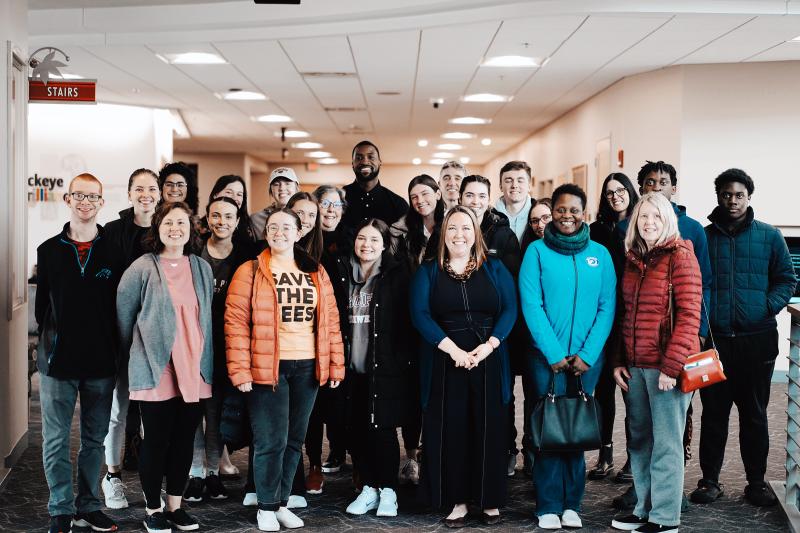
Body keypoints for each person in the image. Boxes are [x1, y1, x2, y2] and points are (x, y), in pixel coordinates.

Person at [225, 208, 345, 532]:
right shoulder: (249, 271)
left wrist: (334, 364)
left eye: (286, 227)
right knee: (270, 440)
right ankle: (265, 506)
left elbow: (330, 321)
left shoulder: (315, 271)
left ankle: (280, 502)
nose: (279, 232)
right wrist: (241, 371)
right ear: (266, 233)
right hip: (268, 367)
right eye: (273, 227)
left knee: (295, 440)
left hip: (307, 367)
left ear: (298, 232)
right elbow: (235, 323)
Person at [690, 169, 796, 507]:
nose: (732, 200)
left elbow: (786, 279)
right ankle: (709, 481)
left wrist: (765, 307)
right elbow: (694, 285)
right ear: (718, 195)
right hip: (715, 343)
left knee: (755, 414)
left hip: (757, 340)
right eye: (726, 194)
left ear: (749, 197)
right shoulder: (703, 238)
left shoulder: (769, 236)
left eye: (739, 195)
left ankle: (756, 482)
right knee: (714, 414)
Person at [410, 205, 517, 527]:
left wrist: (490, 345)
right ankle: (457, 500)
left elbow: (510, 309)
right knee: (452, 431)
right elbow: (420, 315)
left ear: (476, 234)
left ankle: (489, 500)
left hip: (489, 356)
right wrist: (453, 350)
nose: (459, 234)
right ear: (443, 234)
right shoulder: (428, 270)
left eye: (466, 228)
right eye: (453, 228)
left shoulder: (495, 267)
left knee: (489, 430)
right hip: (445, 359)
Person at [613, 160, 712, 508]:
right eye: (643, 217)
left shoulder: (681, 256)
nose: (649, 223)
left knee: (667, 444)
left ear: (668, 219)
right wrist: (619, 361)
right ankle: (643, 507)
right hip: (637, 367)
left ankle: (666, 516)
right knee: (640, 441)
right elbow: (627, 315)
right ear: (634, 222)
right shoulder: (634, 259)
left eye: (657, 217)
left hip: (666, 370)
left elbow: (689, 317)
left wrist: (672, 368)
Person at [519, 183, 616, 530]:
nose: (567, 216)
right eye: (560, 209)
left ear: (584, 212)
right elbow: (532, 305)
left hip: (588, 360)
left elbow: (607, 308)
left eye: (574, 210)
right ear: (551, 211)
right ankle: (547, 504)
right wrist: (555, 353)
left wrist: (587, 355)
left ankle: (572, 503)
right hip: (545, 358)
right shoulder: (536, 253)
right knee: (548, 430)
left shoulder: (601, 255)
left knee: (576, 430)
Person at [116, 201, 214, 533]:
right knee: (156, 440)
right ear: (158, 227)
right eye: (169, 223)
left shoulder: (201, 267)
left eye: (181, 223)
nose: (175, 229)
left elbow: (206, 318)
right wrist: (139, 352)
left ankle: (175, 506)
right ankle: (153, 508)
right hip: (155, 366)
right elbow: (123, 317)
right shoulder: (143, 267)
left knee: (185, 439)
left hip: (194, 366)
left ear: (191, 229)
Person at [36, 173, 123, 533]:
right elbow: (43, 311)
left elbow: (121, 307)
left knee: (93, 439)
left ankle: (87, 505)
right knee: (56, 439)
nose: (85, 202)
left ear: (102, 202)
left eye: (93, 197)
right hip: (57, 362)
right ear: (67, 200)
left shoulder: (115, 251)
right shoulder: (48, 250)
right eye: (78, 196)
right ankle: (60, 508)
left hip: (102, 362)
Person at [184, 196, 256, 504]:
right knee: (192, 411)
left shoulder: (247, 256)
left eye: (228, 216)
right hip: (194, 340)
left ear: (237, 221)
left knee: (214, 412)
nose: (222, 221)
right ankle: (195, 473)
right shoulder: (192, 253)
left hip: (227, 342)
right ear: (206, 219)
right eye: (216, 215)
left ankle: (212, 472)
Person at [341, 219, 413, 517]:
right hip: (351, 368)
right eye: (361, 238)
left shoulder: (397, 274)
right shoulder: (344, 272)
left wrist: (399, 362)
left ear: (384, 244)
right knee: (357, 430)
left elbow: (407, 324)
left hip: (384, 367)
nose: (366, 245)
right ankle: (369, 487)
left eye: (373, 239)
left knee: (381, 429)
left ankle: (389, 491)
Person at [101, 168, 161, 511]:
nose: (146, 194)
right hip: (122, 335)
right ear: (129, 194)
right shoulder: (112, 232)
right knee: (118, 410)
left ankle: (159, 480)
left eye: (151, 188)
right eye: (139, 189)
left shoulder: (168, 228)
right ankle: (112, 476)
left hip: (157, 337)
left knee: (157, 412)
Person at [459, 174, 521, 476]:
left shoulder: (503, 234)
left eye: (481, 196)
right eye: (469, 195)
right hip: (455, 329)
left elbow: (509, 288)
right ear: (460, 198)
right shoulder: (450, 229)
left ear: (489, 198)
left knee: (500, 396)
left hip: (493, 331)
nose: (475, 202)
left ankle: (504, 450)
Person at [389, 174, 445, 484]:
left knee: (438, 392)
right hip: (409, 318)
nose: (420, 200)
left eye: (425, 193)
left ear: (438, 193)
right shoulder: (400, 230)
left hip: (445, 318)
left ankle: (435, 455)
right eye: (414, 196)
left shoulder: (454, 223)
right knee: (412, 394)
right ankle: (410, 457)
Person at [587, 173, 639, 481]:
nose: (615, 196)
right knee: (602, 390)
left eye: (620, 190)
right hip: (604, 315)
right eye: (609, 192)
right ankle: (604, 454)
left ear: (630, 192)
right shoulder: (595, 230)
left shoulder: (641, 224)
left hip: (632, 318)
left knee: (631, 391)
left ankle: (633, 457)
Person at [341, 140, 408, 230]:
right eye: (359, 158)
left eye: (371, 157)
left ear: (380, 162)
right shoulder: (338, 199)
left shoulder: (398, 204)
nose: (365, 162)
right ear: (353, 164)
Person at [200, 174, 259, 245]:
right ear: (215, 195)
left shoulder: (250, 224)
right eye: (229, 192)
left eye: (239, 194)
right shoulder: (200, 227)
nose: (235, 198)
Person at [250, 167, 301, 240]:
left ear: (297, 188)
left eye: (287, 183)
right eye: (276, 184)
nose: (282, 188)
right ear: (271, 191)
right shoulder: (256, 220)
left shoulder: (305, 217)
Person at [494, 161, 533, 243]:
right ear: (500, 186)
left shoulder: (542, 216)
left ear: (529, 186)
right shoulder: (490, 217)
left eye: (520, 180)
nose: (514, 185)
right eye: (508, 180)